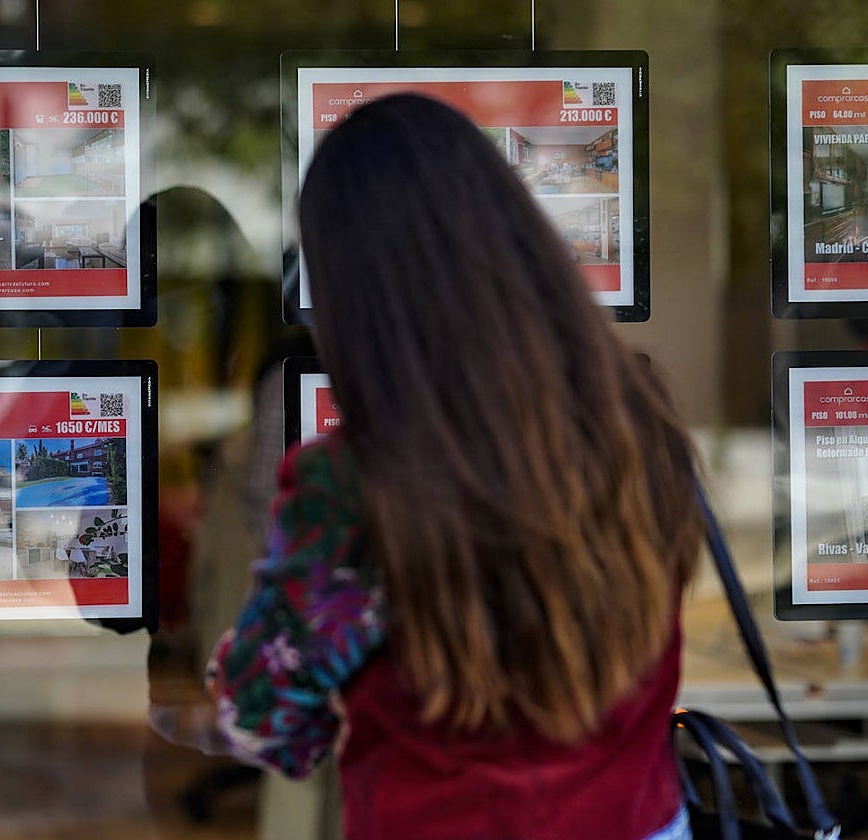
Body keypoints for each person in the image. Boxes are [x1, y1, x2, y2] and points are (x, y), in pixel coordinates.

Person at [205, 93, 705, 840]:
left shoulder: (354, 482)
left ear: (355, 293)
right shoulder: (639, 417)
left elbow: (262, 708)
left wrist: (317, 734)